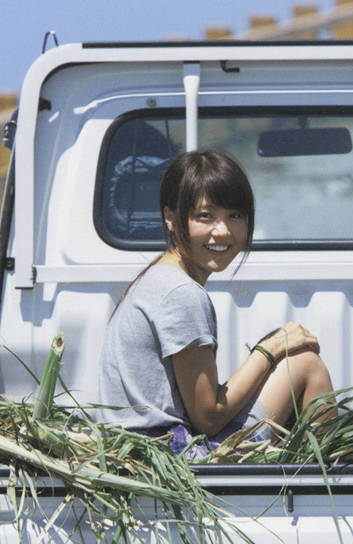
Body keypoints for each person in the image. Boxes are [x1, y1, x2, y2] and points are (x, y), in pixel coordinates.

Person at [98, 149, 333, 454]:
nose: (222, 232)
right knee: (305, 364)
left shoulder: (160, 277)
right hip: (175, 456)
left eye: (234, 216)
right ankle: (325, 476)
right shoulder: (180, 293)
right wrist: (269, 350)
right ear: (171, 217)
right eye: (205, 217)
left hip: (144, 448)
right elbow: (209, 417)